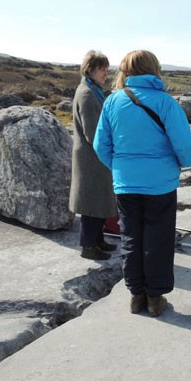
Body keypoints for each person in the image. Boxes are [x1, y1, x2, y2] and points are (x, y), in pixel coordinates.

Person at [94, 50, 191, 317]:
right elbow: (184, 144)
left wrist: (119, 169)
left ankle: (136, 294)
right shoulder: (165, 102)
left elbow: (100, 145)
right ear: (154, 69)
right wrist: (184, 162)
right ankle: (154, 297)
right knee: (157, 240)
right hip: (160, 183)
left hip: (126, 184)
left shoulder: (112, 102)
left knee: (131, 238)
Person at [69, 50, 117, 261]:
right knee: (92, 203)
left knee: (100, 201)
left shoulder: (92, 90)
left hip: (94, 156)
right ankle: (88, 246)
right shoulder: (87, 94)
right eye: (102, 70)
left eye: (107, 69)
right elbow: (92, 132)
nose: (106, 73)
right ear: (91, 70)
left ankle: (98, 240)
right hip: (92, 157)